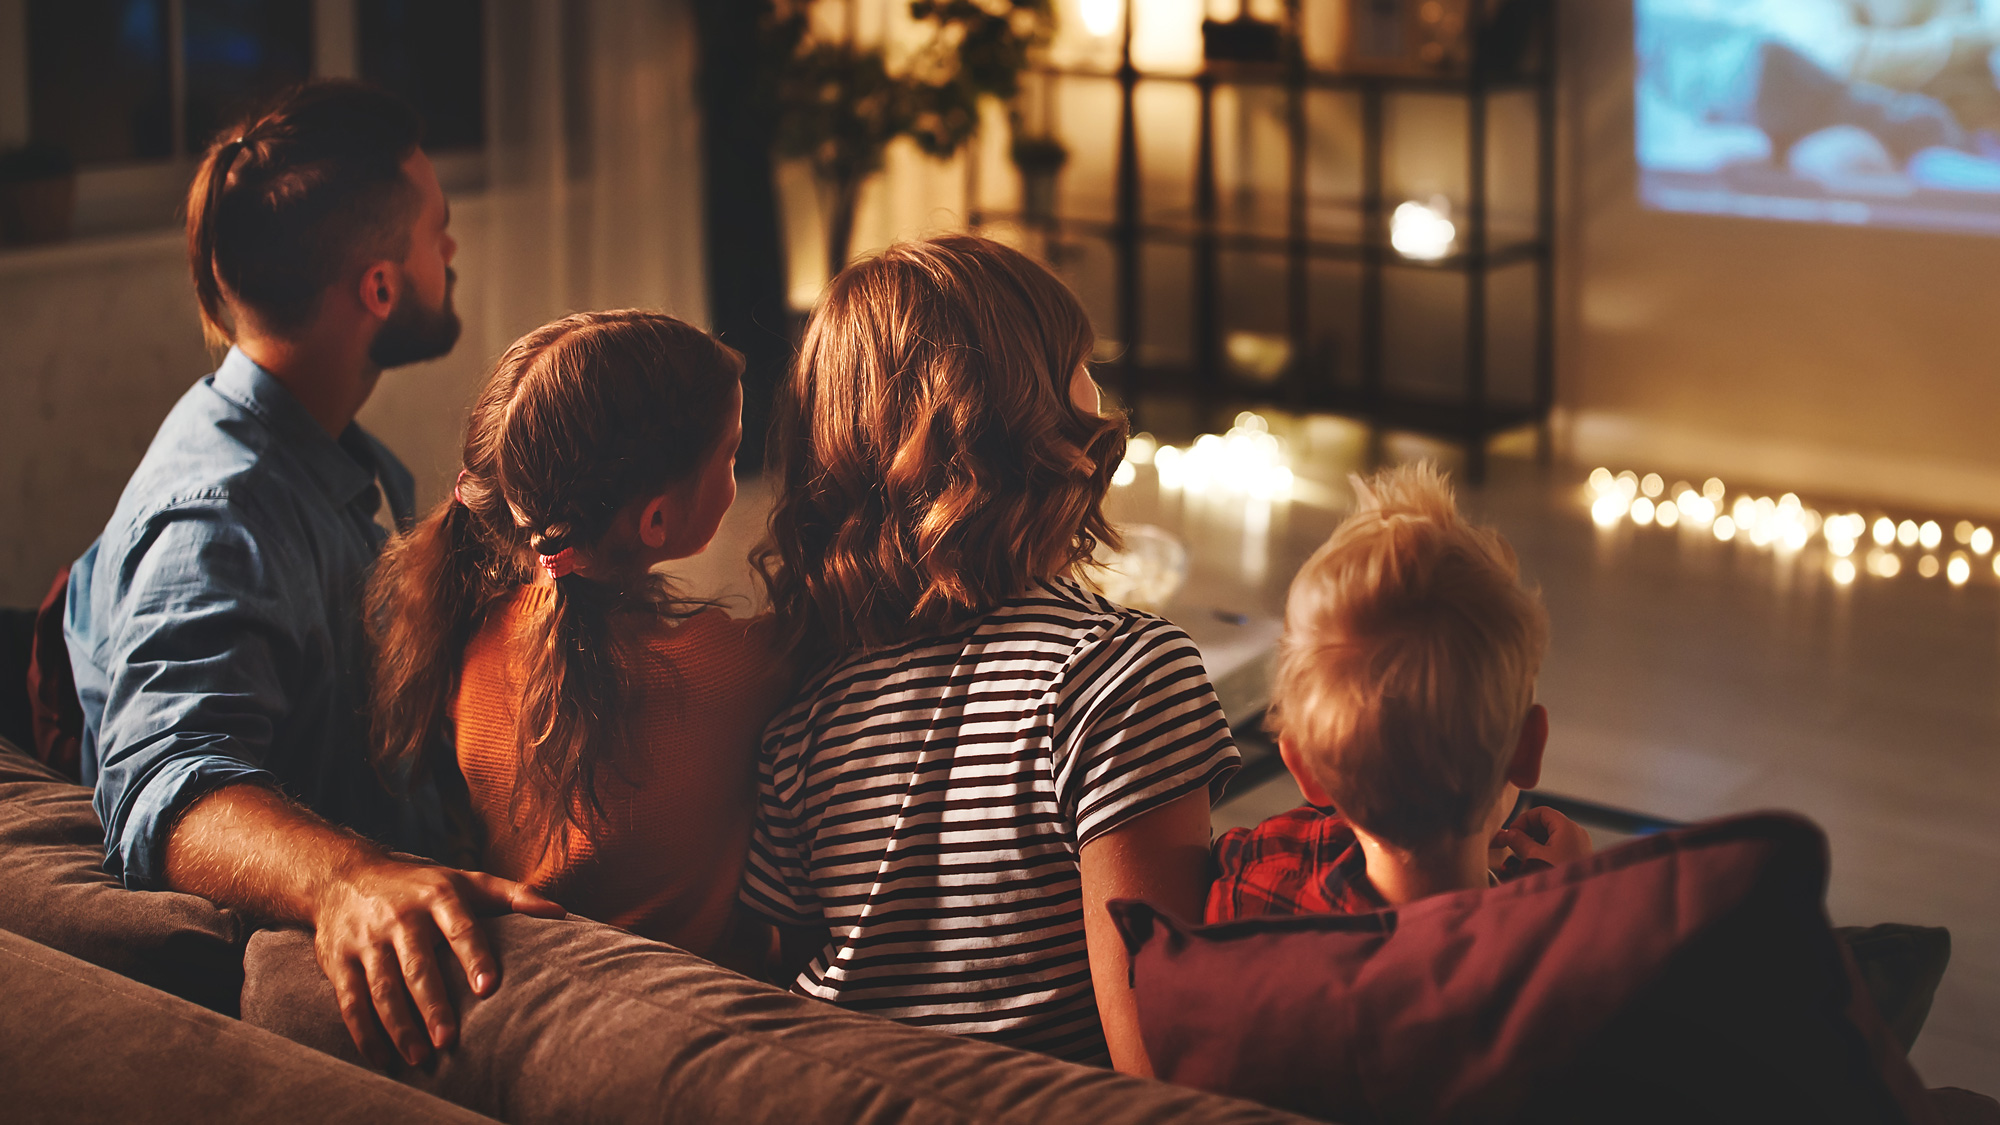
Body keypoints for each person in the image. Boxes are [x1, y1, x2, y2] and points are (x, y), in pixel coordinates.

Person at [63, 80, 560, 1071]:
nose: (450, 254)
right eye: (438, 233)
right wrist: (345, 881)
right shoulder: (216, 516)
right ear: (378, 289)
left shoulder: (316, 455)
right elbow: (168, 781)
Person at [741, 234, 1240, 1074]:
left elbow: (774, 969)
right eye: (1079, 362)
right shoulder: (1120, 677)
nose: (1099, 389)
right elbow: (1160, 1059)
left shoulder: (803, 708)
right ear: (1026, 410)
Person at [368, 310, 788, 969]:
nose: (737, 471)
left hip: (543, 975)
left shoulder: (471, 638)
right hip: (699, 990)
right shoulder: (727, 667)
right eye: (731, 456)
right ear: (656, 518)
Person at [1207, 463, 1591, 923]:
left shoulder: (1255, 880)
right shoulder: (1548, 940)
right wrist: (1568, 890)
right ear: (1528, 747)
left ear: (1304, 768)